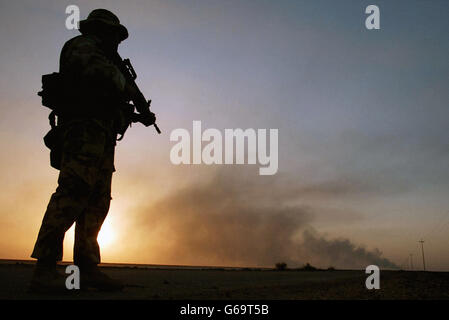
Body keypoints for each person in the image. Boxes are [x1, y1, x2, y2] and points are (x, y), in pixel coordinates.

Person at [30, 9, 155, 292]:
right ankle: (45, 268)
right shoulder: (83, 46)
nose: (117, 42)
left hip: (102, 134)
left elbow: (113, 91)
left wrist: (138, 112)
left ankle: (86, 269)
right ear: (101, 29)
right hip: (83, 130)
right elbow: (103, 77)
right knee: (73, 192)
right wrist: (128, 88)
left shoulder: (107, 56)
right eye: (115, 35)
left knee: (98, 200)